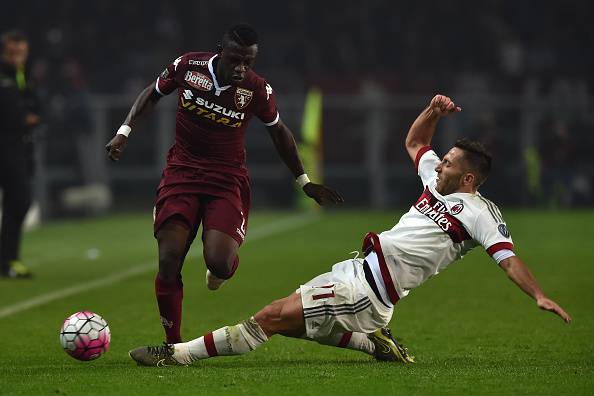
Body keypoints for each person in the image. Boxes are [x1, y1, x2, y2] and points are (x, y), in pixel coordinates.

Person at [129, 94, 572, 367]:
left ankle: (177, 354)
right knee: (290, 322)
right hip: (358, 271)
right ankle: (373, 342)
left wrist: (537, 294)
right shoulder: (436, 178)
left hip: (369, 291)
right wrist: (432, 111)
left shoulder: (479, 214)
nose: (441, 164)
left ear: (469, 179)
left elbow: (508, 259)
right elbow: (416, 143)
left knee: (269, 318)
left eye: (451, 163)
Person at [105, 24, 343, 343]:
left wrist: (305, 182)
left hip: (226, 180)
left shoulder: (256, 89)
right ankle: (173, 344)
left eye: (248, 62)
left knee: (219, 261)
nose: (241, 68)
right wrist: (124, 132)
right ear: (221, 51)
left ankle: (221, 271)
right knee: (168, 258)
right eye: (235, 60)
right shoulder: (188, 66)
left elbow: (279, 132)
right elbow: (153, 93)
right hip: (182, 174)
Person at [0, 30, 40, 278]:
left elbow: (36, 107)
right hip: (6, 144)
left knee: (19, 200)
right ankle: (8, 260)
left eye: (22, 52)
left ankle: (8, 259)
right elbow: (17, 114)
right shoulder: (6, 76)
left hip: (18, 145)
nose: (19, 57)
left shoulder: (22, 75)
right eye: (14, 52)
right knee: (19, 199)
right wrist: (24, 118)